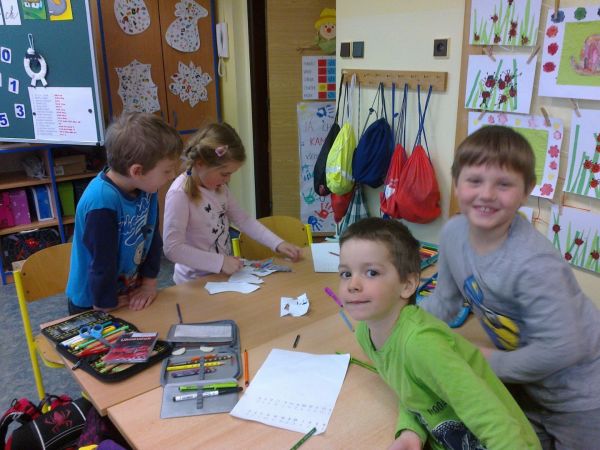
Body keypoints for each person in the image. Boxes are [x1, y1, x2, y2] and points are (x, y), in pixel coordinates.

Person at [421, 125, 600, 449]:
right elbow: (445, 301)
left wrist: (484, 361)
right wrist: (406, 330)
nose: (487, 194)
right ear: (457, 182)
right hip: (526, 386)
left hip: (582, 396)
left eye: (503, 184)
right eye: (474, 180)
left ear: (526, 189)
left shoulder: (534, 263)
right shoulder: (453, 234)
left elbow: (563, 348)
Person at [338, 217, 541, 450]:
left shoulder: (422, 344)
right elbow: (412, 393)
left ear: (407, 284)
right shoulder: (366, 334)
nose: (352, 284)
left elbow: (494, 422)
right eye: (345, 273)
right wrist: (410, 432)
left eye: (371, 272)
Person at [66, 112, 183, 314]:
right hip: (94, 302)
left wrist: (148, 284)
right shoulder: (101, 202)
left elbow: (152, 237)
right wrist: (105, 302)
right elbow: (101, 260)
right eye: (167, 170)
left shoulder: (147, 187)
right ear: (137, 171)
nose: (172, 175)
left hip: (128, 291)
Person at [163, 122, 301, 284]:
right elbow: (172, 248)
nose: (228, 180)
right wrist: (220, 262)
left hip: (221, 275)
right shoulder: (179, 194)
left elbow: (244, 220)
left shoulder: (219, 188)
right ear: (200, 163)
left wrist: (277, 243)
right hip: (193, 283)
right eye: (224, 174)